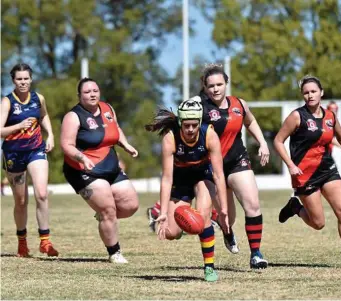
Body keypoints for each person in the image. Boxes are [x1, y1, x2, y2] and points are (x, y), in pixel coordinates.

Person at [145, 99, 229, 282]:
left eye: (194, 125)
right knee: (169, 233)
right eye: (186, 125)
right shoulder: (170, 136)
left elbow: (219, 175)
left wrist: (223, 209)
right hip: (180, 180)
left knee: (204, 215)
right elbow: (167, 178)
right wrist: (165, 212)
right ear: (180, 123)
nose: (190, 129)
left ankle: (209, 268)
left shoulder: (209, 135)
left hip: (202, 176)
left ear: (199, 123)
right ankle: (163, 216)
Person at [60, 77, 139, 263]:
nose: (92, 94)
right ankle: (114, 252)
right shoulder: (73, 116)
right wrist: (82, 157)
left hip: (110, 167)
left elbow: (116, 129)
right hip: (83, 170)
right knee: (108, 210)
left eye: (95, 90)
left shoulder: (107, 108)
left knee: (130, 205)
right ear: (79, 96)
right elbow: (66, 145)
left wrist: (126, 145)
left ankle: (103, 215)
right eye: (87, 92)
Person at [199, 63, 270, 269]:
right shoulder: (200, 107)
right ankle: (227, 232)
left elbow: (251, 122)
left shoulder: (239, 104)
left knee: (252, 204)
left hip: (238, 160)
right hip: (211, 167)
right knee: (227, 216)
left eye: (219, 84)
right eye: (211, 85)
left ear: (226, 84)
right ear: (205, 87)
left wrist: (262, 142)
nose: (215, 89)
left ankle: (256, 254)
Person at [274, 75, 341, 259]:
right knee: (318, 223)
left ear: (321, 93)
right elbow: (278, 141)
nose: (310, 95)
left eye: (313, 91)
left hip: (327, 169)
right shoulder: (297, 116)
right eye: (306, 93)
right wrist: (290, 165)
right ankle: (295, 207)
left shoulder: (330, 116)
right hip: (304, 174)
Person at [0, 63, 58, 257]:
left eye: (26, 78)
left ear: (31, 79)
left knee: (41, 194)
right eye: (19, 79)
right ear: (13, 81)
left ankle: (45, 241)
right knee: (21, 200)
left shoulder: (38, 98)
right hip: (14, 154)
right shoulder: (7, 102)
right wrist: (18, 126)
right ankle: (22, 242)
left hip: (36, 150)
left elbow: (44, 115)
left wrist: (50, 134)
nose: (23, 82)